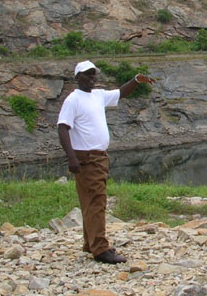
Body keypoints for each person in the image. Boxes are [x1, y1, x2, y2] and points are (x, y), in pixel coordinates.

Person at [57, 60, 156, 264]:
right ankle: (101, 249)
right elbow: (62, 128)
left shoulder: (98, 95)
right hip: (86, 158)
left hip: (99, 157)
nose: (92, 78)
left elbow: (120, 93)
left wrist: (136, 80)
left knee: (90, 201)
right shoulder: (73, 100)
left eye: (94, 74)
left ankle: (90, 243)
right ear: (78, 77)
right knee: (96, 201)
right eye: (87, 74)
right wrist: (71, 157)